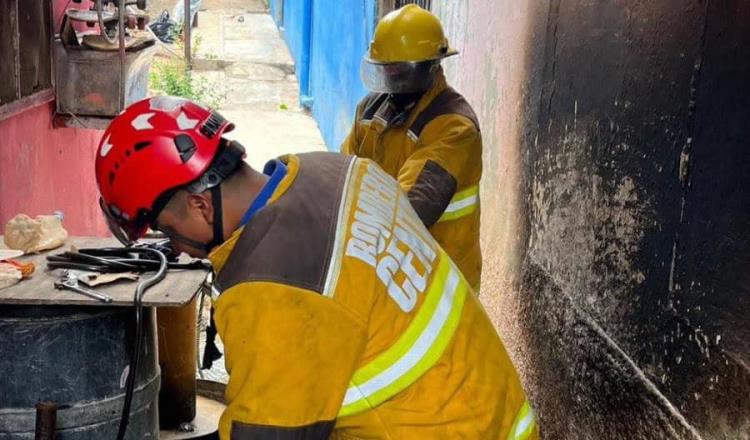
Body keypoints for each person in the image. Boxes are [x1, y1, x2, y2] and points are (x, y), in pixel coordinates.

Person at [95, 96, 537, 439]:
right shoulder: (335, 169)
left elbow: (266, 436)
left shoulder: (274, 291)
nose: (179, 250)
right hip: (489, 412)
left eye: (168, 231)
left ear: (198, 205)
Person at [342, 4, 483, 291]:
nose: (394, 78)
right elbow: (341, 176)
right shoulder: (371, 110)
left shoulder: (454, 127)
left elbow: (411, 210)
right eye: (388, 70)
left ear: (432, 66)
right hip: (387, 270)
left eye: (402, 70)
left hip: (440, 280)